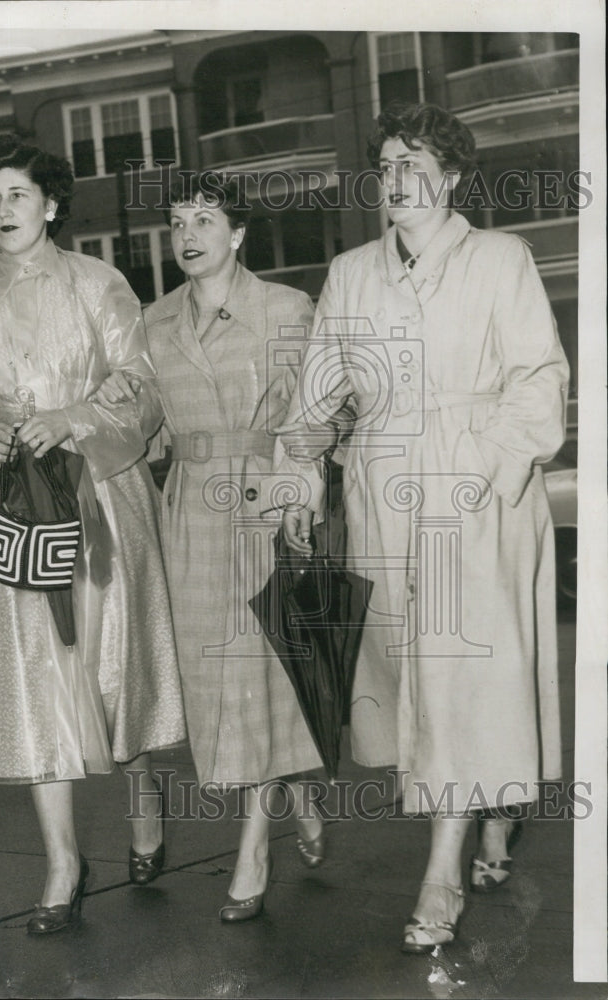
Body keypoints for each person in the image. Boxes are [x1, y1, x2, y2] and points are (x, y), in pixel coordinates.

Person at [278, 102, 570, 952]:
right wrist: (298, 481)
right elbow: (313, 404)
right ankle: (487, 808)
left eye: (414, 165)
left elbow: (537, 380)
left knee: (458, 678)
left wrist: (476, 472)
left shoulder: (498, 259)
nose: (396, 182)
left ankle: (440, 868)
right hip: (379, 491)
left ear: (450, 178)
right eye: (386, 166)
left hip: (473, 496)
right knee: (413, 680)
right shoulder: (351, 271)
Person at [0, 134, 187, 935]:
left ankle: (145, 815)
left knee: (114, 669)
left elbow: (141, 387)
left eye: (18, 195)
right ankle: (63, 863)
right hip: (8, 512)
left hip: (98, 495)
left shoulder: (98, 284)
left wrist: (73, 418)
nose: (4, 210)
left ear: (50, 205)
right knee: (34, 679)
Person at [100, 173, 328, 922]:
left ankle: (254, 847)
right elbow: (137, 422)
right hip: (189, 508)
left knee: (257, 669)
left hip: (264, 500)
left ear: (237, 235)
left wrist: (300, 492)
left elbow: (318, 415)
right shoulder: (151, 322)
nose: (187, 234)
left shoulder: (286, 310)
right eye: (176, 222)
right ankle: (296, 782)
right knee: (215, 682)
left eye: (204, 219)